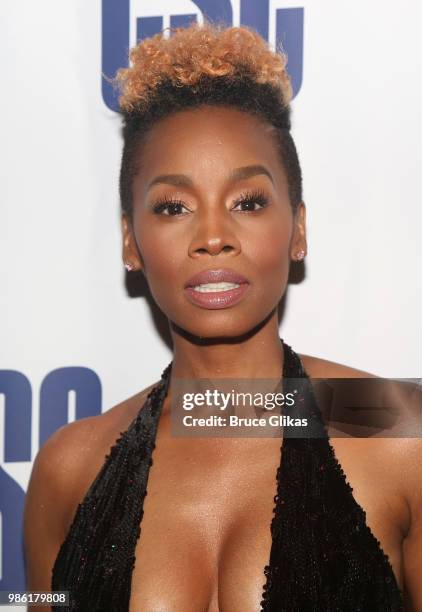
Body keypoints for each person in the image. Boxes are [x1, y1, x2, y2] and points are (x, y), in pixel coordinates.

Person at [23, 21, 421, 611]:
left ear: (298, 229)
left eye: (249, 202)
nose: (213, 236)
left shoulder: (398, 429)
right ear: (131, 243)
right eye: (173, 206)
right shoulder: (69, 469)